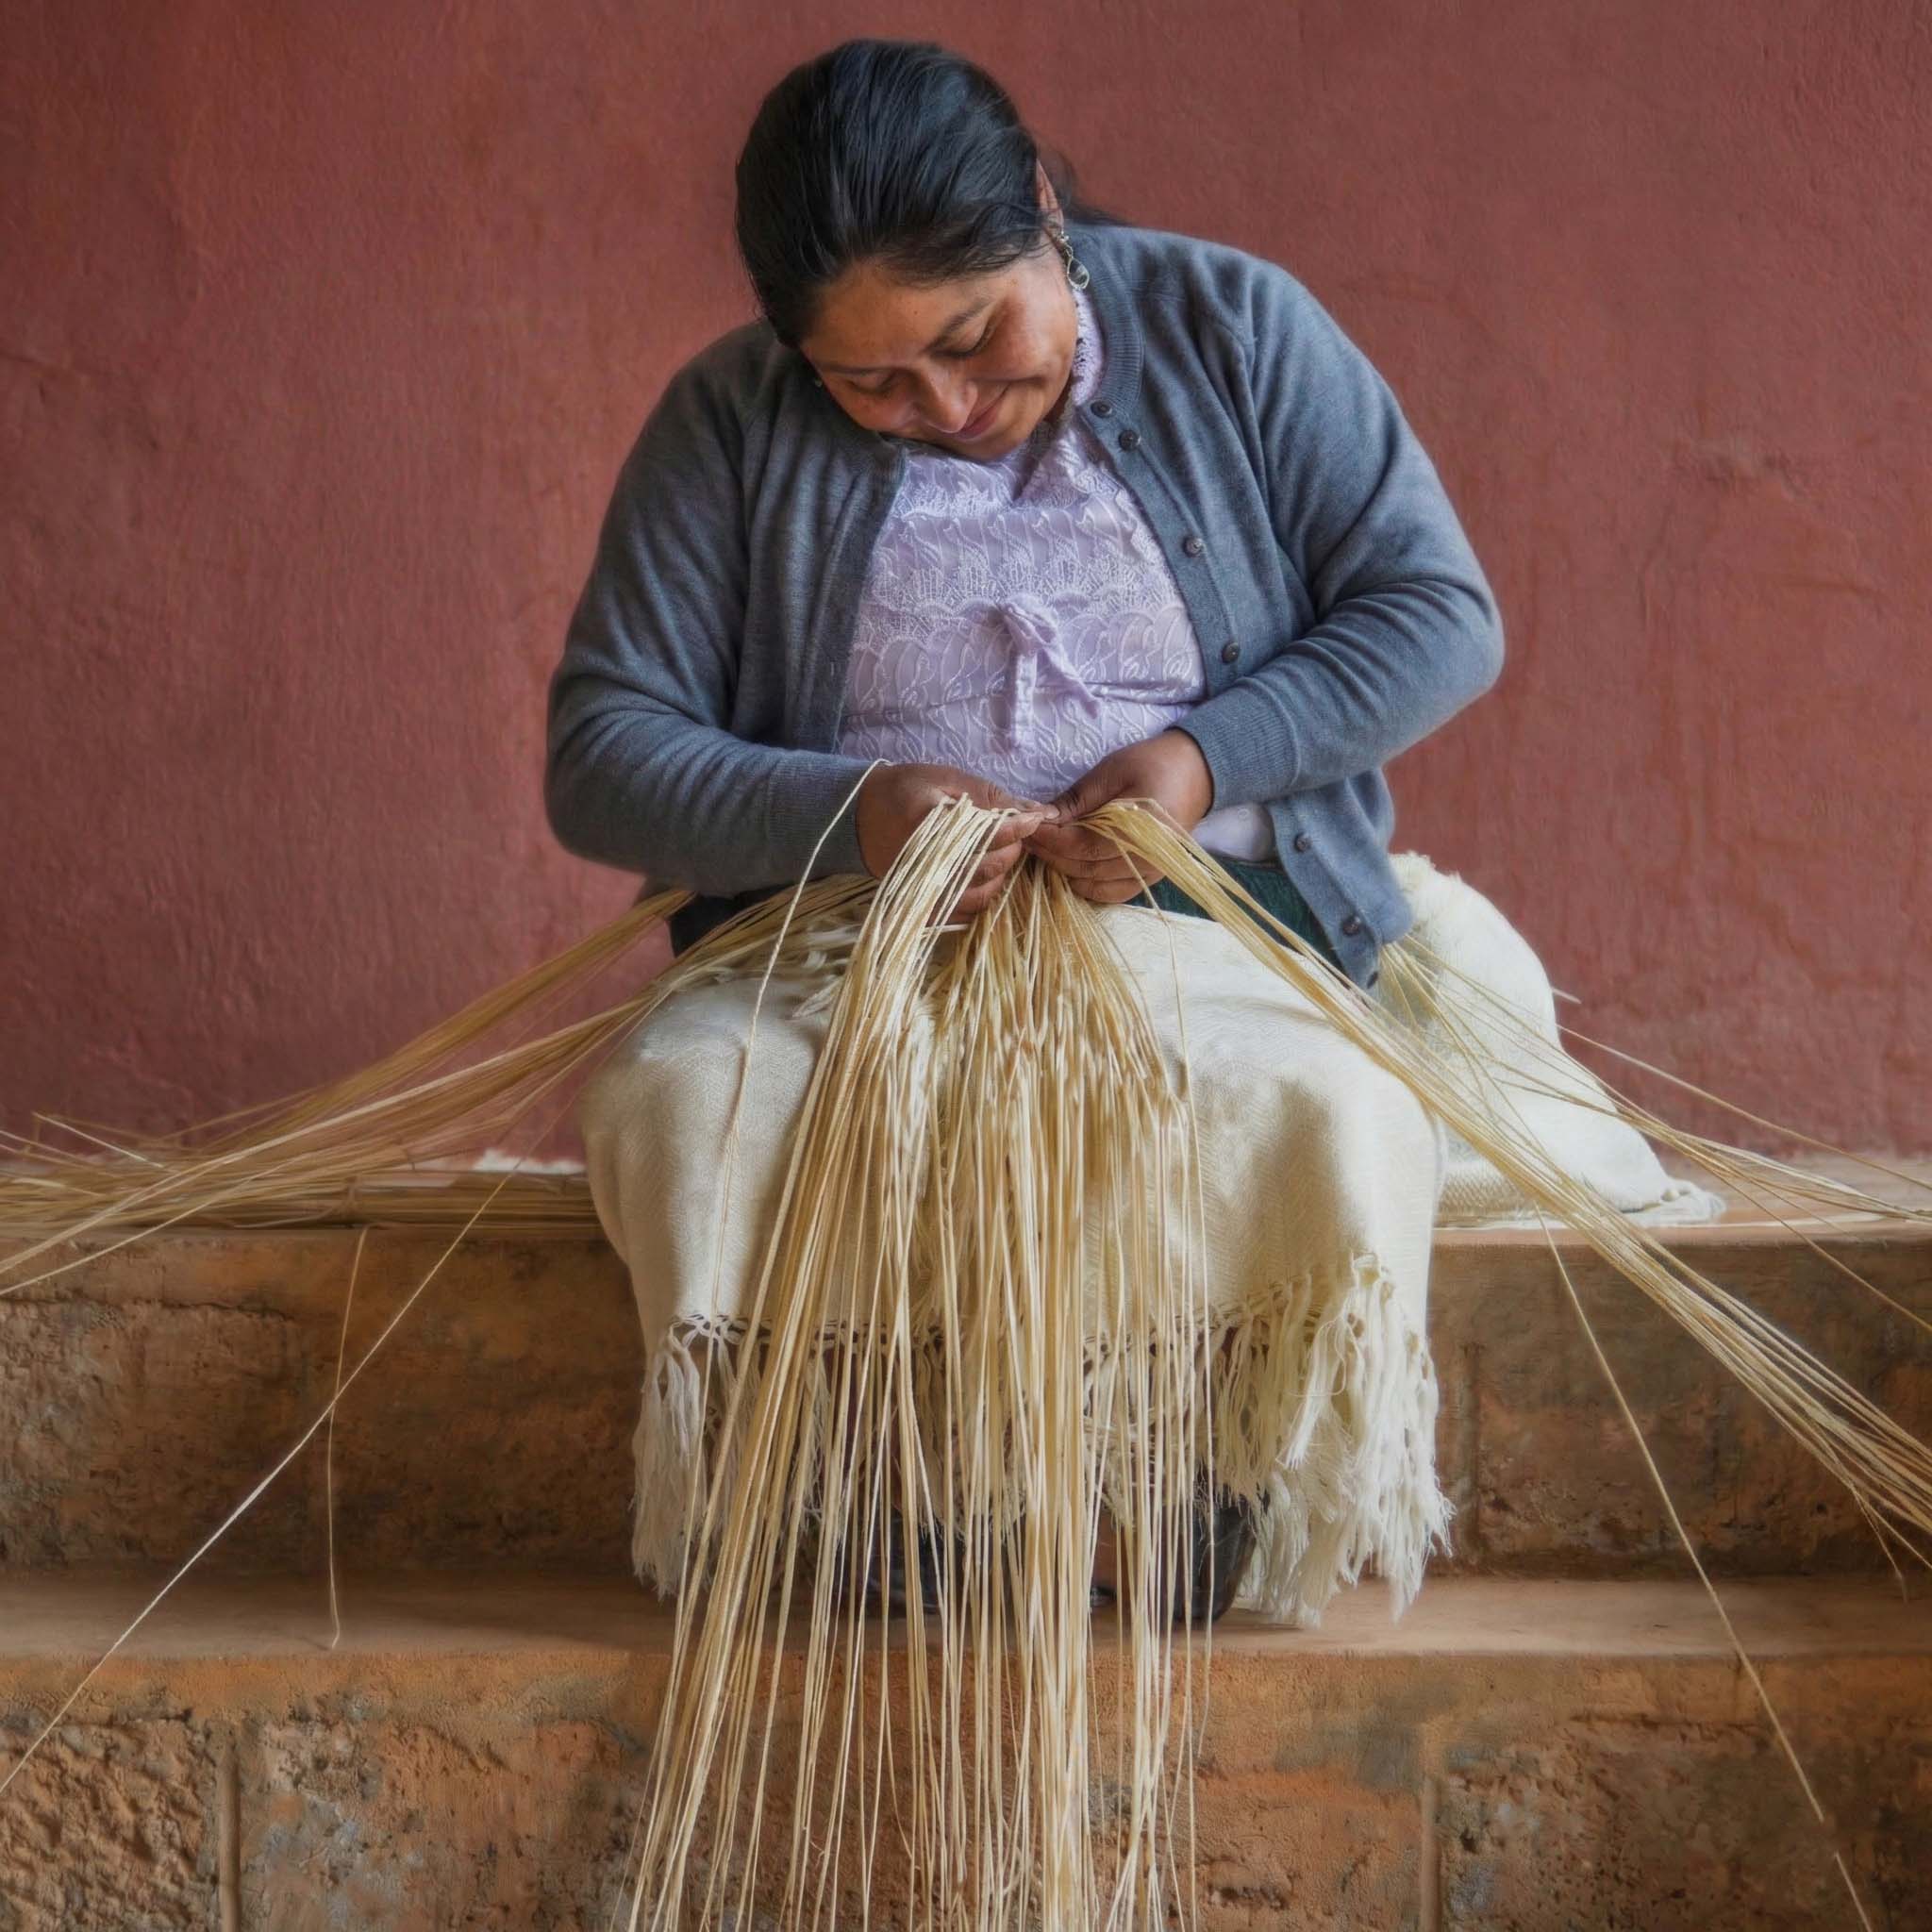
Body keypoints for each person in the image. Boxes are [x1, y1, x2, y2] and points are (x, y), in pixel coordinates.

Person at [545, 37, 1505, 1625]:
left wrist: (1203, 761)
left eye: (978, 338)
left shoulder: (1236, 326)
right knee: (701, 1096)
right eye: (871, 382)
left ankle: (1198, 1480)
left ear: (1045, 220)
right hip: (843, 944)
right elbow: (603, 754)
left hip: (1207, 922)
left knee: (1291, 1097)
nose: (943, 406)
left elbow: (1437, 616)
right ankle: (841, 1486)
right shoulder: (724, 415)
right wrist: (854, 814)